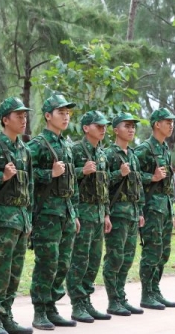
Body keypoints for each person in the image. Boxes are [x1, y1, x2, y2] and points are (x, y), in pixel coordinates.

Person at [27, 94, 81, 330]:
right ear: (48, 116)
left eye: (68, 113)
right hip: (47, 214)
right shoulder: (37, 145)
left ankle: (52, 307)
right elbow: (26, 177)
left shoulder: (66, 145)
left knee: (63, 263)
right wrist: (49, 173)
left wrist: (75, 213)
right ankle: (40, 309)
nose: (66, 116)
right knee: (47, 263)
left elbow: (72, 183)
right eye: (61, 112)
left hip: (66, 213)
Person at [0, 97, 34, 334]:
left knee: (14, 272)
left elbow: (29, 187)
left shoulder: (24, 150)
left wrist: (29, 218)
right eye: (18, 116)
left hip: (20, 220)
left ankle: (7, 316)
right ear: (5, 120)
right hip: (0, 221)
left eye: (25, 116)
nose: (23, 120)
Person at [67, 110, 112, 323]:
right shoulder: (75, 150)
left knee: (93, 260)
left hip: (98, 214)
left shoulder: (101, 153)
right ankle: (77, 304)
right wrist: (80, 171)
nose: (103, 129)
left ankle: (86, 300)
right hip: (83, 213)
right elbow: (65, 181)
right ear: (86, 128)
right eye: (98, 125)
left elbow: (104, 187)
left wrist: (106, 214)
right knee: (80, 260)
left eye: (104, 126)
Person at [134, 107, 175, 310]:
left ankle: (155, 289)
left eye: (172, 122)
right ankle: (146, 294)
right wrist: (150, 177)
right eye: (167, 122)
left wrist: (173, 209)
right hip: (151, 208)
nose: (171, 125)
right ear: (156, 124)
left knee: (163, 252)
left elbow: (168, 184)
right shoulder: (144, 149)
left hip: (165, 208)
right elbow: (133, 178)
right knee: (152, 251)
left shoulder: (164, 149)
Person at [102, 113, 145, 317]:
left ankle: (121, 297)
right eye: (127, 126)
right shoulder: (109, 154)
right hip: (117, 213)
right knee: (115, 257)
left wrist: (141, 211)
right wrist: (119, 173)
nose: (131, 130)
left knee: (127, 258)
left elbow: (138, 186)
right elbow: (101, 185)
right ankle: (113, 300)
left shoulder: (133, 155)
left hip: (132, 213)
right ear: (115, 129)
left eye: (133, 127)